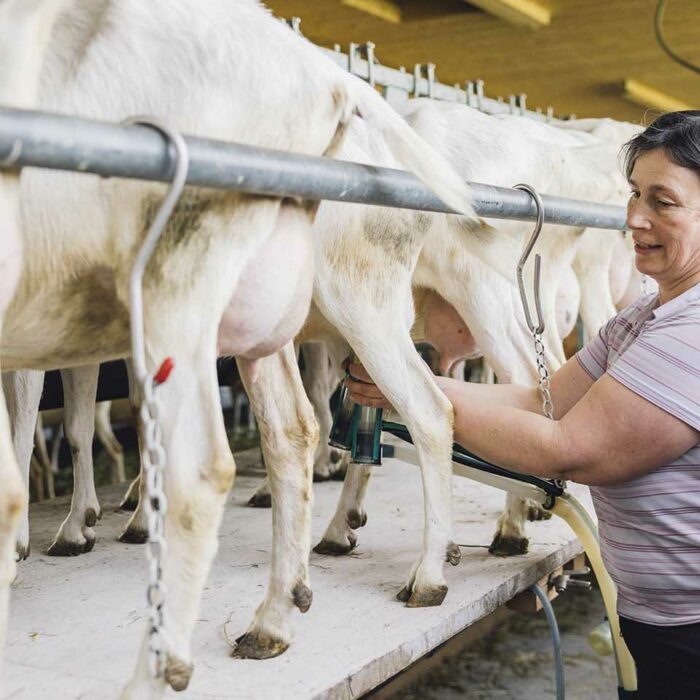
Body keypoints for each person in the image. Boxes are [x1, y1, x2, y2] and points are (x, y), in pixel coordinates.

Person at [344, 111, 700, 700]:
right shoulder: (642, 317)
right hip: (661, 620)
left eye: (663, 201)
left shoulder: (689, 334)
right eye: (634, 194)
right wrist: (410, 380)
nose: (635, 219)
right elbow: (549, 399)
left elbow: (568, 448)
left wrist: (418, 394)